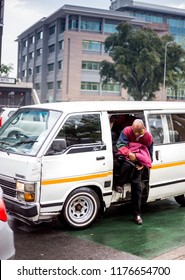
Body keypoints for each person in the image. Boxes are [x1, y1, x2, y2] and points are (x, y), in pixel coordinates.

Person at [116, 119, 154, 225]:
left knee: (137, 185)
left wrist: (141, 163)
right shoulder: (127, 131)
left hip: (140, 161)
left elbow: (149, 155)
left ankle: (137, 214)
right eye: (134, 130)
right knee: (126, 165)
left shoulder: (148, 137)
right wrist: (129, 154)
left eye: (139, 131)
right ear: (132, 127)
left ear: (143, 128)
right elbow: (120, 145)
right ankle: (119, 183)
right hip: (127, 157)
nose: (136, 133)